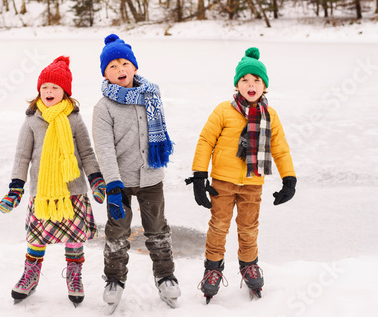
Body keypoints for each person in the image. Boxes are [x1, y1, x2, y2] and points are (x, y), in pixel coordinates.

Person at [186, 47, 296, 301]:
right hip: (221, 183)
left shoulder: (270, 115)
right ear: (237, 85)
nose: (251, 84)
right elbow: (205, 141)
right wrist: (200, 176)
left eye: (256, 80)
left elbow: (280, 149)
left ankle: (248, 264)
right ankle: (212, 269)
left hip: (252, 183)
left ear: (264, 87)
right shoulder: (224, 110)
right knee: (219, 226)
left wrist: (289, 179)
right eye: (245, 79)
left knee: (248, 227)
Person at [0, 56, 106, 305]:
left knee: (75, 238)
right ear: (39, 91)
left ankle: (74, 274)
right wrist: (16, 188)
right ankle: (31, 275)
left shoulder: (74, 118)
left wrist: (96, 180)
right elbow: (22, 155)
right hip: (42, 192)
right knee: (36, 238)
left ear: (65, 92)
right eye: (44, 87)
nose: (49, 91)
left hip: (73, 189)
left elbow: (87, 152)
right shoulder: (32, 119)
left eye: (55, 87)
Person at [92, 34, 181, 309]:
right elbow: (104, 149)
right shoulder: (103, 108)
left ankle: (165, 276)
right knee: (117, 231)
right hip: (120, 181)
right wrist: (114, 185)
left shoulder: (150, 96)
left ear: (134, 67)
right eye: (113, 66)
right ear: (105, 74)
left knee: (157, 229)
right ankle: (114, 279)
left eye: (124, 63)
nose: (120, 70)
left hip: (151, 177)